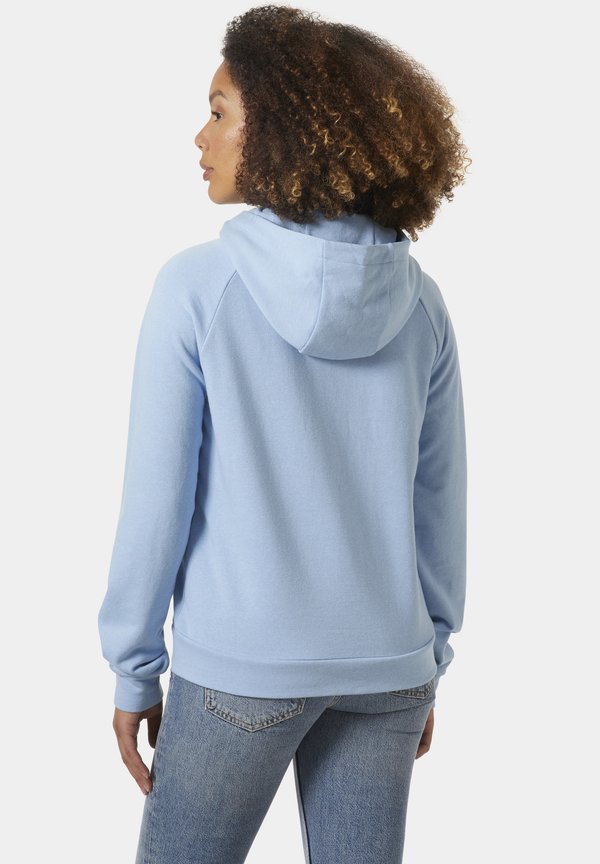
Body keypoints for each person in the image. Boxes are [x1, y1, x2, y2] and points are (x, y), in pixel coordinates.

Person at [97, 5, 470, 862]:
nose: (200, 137)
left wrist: (133, 667)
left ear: (287, 132)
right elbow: (440, 499)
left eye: (219, 112)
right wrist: (429, 654)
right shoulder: (422, 301)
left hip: (243, 667)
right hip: (388, 668)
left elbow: (156, 499)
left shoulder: (199, 287)